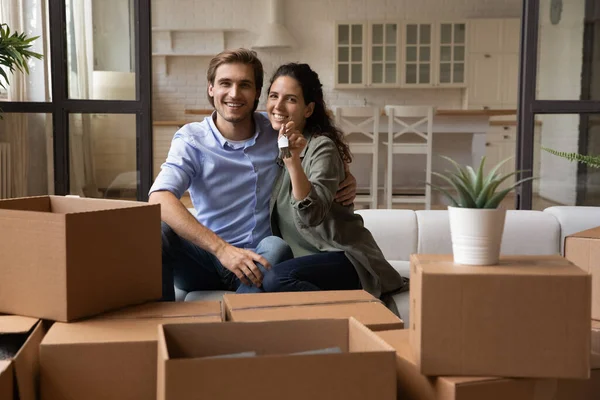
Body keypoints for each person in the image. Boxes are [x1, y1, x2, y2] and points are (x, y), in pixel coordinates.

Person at [148, 49, 357, 301]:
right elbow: (159, 198)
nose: (234, 94)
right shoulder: (192, 140)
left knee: (276, 245)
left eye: (244, 85)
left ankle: (237, 319)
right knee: (155, 230)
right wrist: (222, 249)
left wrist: (344, 173)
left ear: (257, 93)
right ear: (211, 88)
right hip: (207, 259)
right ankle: (160, 328)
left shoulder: (276, 130)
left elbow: (317, 134)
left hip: (261, 258)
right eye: (225, 83)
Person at [251, 62, 407, 300]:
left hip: (342, 256)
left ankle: (353, 316)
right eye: (274, 96)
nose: (278, 106)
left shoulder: (321, 147)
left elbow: (312, 215)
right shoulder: (272, 139)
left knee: (277, 279)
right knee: (263, 281)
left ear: (308, 109)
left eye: (291, 99)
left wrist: (293, 163)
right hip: (306, 262)